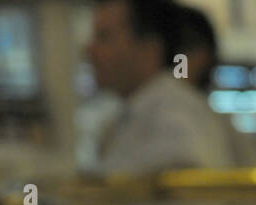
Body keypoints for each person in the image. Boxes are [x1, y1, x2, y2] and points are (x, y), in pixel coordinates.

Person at [85, 0, 236, 172]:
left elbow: (183, 169)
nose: (89, 50)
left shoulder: (174, 111)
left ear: (150, 48)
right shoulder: (138, 111)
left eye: (104, 37)